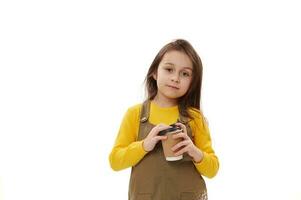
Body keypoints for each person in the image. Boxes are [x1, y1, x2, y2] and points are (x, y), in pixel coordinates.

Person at [109, 39, 219, 200]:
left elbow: (213, 169)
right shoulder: (135, 114)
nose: (175, 78)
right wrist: (144, 145)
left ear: (192, 82)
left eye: (185, 73)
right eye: (169, 69)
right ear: (154, 72)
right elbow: (115, 161)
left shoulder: (195, 118)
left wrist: (195, 152)